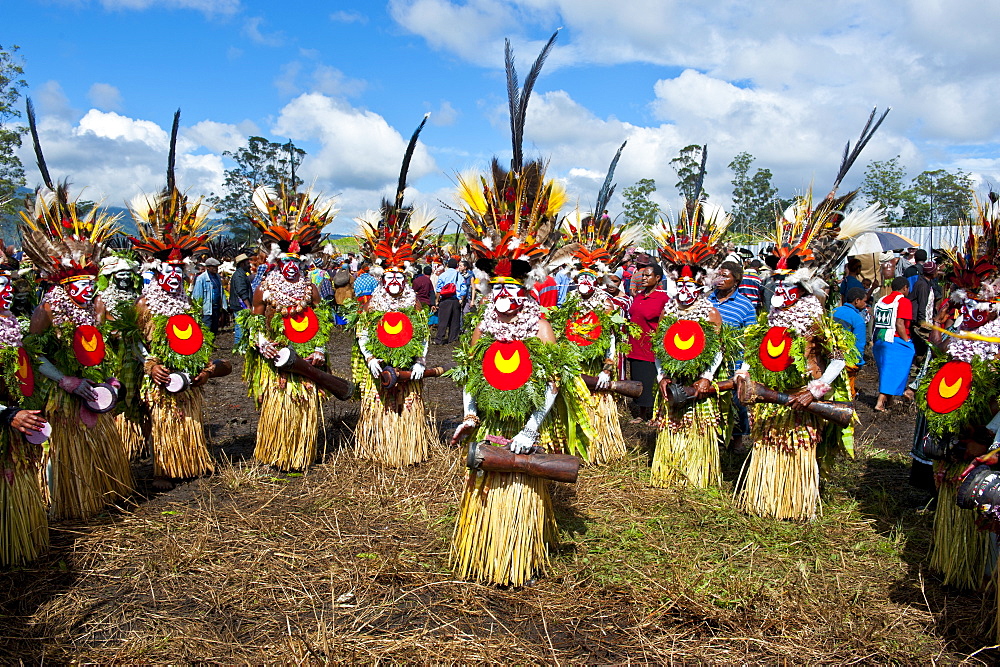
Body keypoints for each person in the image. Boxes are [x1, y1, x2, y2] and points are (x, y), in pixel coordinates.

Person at [21, 186, 134, 520]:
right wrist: (64, 380)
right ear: (63, 284)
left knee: (94, 438)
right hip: (63, 395)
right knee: (66, 445)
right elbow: (29, 352)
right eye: (79, 285)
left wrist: (106, 375)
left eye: (90, 283)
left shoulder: (89, 308)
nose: (87, 290)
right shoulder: (48, 309)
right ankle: (68, 501)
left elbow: (97, 346)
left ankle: (102, 490)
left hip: (91, 388)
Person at [237, 185, 345, 471]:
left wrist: (320, 348)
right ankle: (278, 454)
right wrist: (261, 342)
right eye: (286, 261)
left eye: (296, 261)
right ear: (276, 260)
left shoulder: (310, 289)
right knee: (280, 405)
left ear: (304, 263)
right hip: (277, 360)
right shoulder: (264, 290)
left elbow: (322, 320)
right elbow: (255, 320)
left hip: (307, 356)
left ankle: (303, 453)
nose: (291, 267)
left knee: (305, 405)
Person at [129, 187, 228, 490]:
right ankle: (163, 468)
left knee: (189, 417)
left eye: (179, 270)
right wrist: (149, 364)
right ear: (156, 271)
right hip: (159, 379)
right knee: (163, 420)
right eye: (168, 270)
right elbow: (132, 342)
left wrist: (204, 367)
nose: (174, 276)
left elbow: (198, 341)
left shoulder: (188, 304)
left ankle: (190, 461)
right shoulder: (143, 304)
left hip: (188, 374)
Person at [352, 114, 436, 467]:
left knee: (408, 399)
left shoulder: (412, 302)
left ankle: (409, 447)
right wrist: (371, 359)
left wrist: (419, 361)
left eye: (401, 272)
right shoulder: (373, 302)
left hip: (406, 363)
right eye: (390, 272)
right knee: (380, 401)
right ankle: (381, 447)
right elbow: (362, 332)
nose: (395, 279)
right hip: (381, 365)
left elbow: (423, 332)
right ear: (380, 272)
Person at [649, 202, 735, 488]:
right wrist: (662, 375)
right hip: (673, 380)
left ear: (699, 287)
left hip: (698, 381)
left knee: (698, 426)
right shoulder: (669, 311)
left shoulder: (710, 312)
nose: (685, 291)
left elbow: (718, 349)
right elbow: (660, 347)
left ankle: (697, 475)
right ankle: (669, 472)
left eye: (691, 287)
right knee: (671, 422)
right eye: (681, 286)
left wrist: (705, 378)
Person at [0, 242, 49, 566]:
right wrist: (6, 415)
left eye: (5, 273)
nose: (5, 282)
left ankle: (19, 544)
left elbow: (31, 361)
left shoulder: (9, 324)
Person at [708, 260, 757, 447]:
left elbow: (751, 337)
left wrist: (744, 368)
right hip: (710, 361)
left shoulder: (745, 305)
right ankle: (716, 438)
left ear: (736, 281)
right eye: (718, 275)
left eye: (725, 276)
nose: (720, 280)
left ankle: (736, 442)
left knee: (735, 402)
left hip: (733, 362)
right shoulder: (707, 300)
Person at [626, 263, 670, 423]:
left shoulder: (663, 299)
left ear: (657, 278)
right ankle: (641, 413)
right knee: (639, 380)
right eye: (643, 275)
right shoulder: (638, 296)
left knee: (652, 381)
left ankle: (656, 414)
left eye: (647, 275)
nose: (643, 278)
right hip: (635, 346)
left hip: (651, 348)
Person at [872, 276, 914, 411]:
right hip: (894, 341)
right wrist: (907, 341)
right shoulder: (904, 301)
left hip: (879, 340)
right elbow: (900, 324)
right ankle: (880, 403)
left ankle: (889, 401)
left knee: (886, 371)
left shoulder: (881, 300)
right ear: (905, 288)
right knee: (894, 371)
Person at [832, 286, 868, 398]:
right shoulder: (858, 320)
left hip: (830, 355)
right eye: (864, 301)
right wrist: (858, 363)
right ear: (857, 301)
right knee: (846, 394)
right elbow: (859, 345)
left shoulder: (834, 311)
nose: (866, 304)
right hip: (846, 361)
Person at [434, 257, 464, 344]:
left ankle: (439, 339)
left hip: (445, 300)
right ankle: (452, 339)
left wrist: (437, 300)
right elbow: (463, 288)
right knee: (455, 321)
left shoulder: (443, 275)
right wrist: (461, 299)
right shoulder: (459, 275)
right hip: (455, 300)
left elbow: (438, 289)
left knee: (443, 320)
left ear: (447, 265)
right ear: (456, 266)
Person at [192, 257, 224, 334]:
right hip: (207, 309)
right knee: (207, 330)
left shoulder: (218, 277)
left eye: (217, 267)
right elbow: (197, 296)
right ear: (208, 267)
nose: (216, 269)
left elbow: (221, 292)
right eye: (214, 267)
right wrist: (199, 309)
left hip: (216, 308)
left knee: (214, 329)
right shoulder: (201, 278)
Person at [228, 253, 252, 347]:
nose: (249, 265)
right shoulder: (239, 276)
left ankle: (241, 346)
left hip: (240, 305)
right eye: (247, 263)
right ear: (242, 264)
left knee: (242, 327)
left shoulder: (241, 274)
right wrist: (248, 305)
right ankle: (239, 347)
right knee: (240, 327)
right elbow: (241, 291)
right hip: (240, 306)